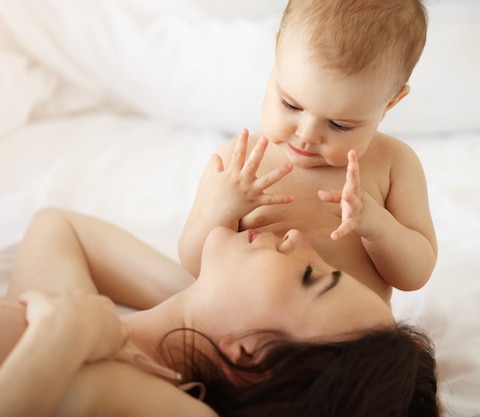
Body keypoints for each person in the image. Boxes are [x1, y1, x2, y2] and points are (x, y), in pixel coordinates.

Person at [0, 207, 440, 416]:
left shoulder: (179, 409)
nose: (298, 239)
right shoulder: (97, 324)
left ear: (249, 356)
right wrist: (203, 298)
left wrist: (60, 335)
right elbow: (57, 227)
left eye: (309, 275)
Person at [179, 0, 437, 304]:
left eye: (339, 125)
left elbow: (415, 275)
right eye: (291, 105)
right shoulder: (237, 163)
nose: (306, 135)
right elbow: (193, 264)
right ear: (276, 54)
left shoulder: (394, 163)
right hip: (251, 328)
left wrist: (377, 226)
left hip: (350, 338)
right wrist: (220, 210)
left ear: (390, 103)